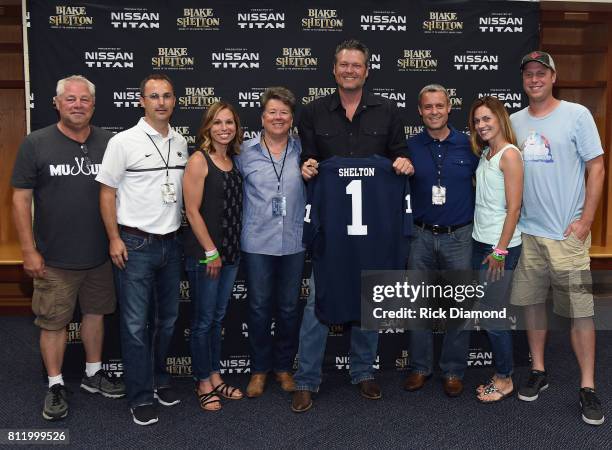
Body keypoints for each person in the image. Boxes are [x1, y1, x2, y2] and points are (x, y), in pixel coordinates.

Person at [292, 38, 413, 413]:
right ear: (334, 69)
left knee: (369, 296)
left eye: (356, 65)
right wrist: (308, 166)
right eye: (343, 65)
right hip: (331, 227)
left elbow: (400, 153)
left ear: (366, 70)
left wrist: (404, 164)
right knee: (317, 300)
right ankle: (307, 379)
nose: (349, 70)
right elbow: (310, 159)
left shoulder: (387, 111)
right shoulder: (313, 112)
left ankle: (363, 371)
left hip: (372, 226)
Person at [11, 75, 125, 421]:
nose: (78, 105)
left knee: (95, 315)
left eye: (84, 99)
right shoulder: (36, 143)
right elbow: (20, 198)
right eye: (70, 99)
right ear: (57, 103)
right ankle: (56, 383)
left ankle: (93, 375)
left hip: (100, 255)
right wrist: (28, 249)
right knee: (53, 323)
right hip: (54, 258)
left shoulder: (111, 143)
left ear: (93, 104)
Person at [510, 51, 605, 425]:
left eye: (541, 73)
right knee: (533, 305)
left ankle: (587, 386)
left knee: (580, 312)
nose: (534, 79)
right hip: (528, 234)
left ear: (553, 76)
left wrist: (586, 222)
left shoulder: (577, 115)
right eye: (529, 73)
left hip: (568, 235)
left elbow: (596, 167)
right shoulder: (514, 121)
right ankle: (538, 370)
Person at [97, 73, 187, 426]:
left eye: (166, 95)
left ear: (174, 100)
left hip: (172, 242)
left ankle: (160, 379)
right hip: (135, 244)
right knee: (135, 325)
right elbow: (106, 192)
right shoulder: (123, 142)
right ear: (141, 101)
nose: (161, 102)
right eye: (153, 96)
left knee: (167, 321)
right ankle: (139, 395)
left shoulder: (180, 141)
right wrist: (114, 238)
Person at [404, 84, 479, 397]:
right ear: (420, 111)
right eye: (428, 107)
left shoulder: (470, 145)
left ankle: (452, 371)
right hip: (420, 236)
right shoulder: (408, 147)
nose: (434, 112)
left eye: (439, 106)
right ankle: (420, 368)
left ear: (450, 108)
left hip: (459, 236)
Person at [235, 87, 306, 398]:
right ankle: (259, 370)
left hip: (293, 241)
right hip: (257, 242)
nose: (278, 117)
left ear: (291, 119)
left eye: (284, 113)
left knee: (290, 308)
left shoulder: (304, 151)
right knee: (260, 308)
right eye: (272, 112)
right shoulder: (243, 152)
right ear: (262, 117)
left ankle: (283, 367)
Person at [183, 101, 244, 411]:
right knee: (203, 321)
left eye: (229, 122)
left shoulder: (232, 159)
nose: (224, 128)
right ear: (207, 127)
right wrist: (210, 252)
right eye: (218, 122)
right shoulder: (199, 160)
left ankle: (215, 375)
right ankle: (203, 381)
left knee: (217, 318)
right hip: (207, 256)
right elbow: (191, 211)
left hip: (230, 253)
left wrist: (224, 253)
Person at [468, 96, 523, 402]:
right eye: (477, 121)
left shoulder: (510, 155)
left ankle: (505, 378)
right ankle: (502, 372)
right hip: (481, 242)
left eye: (487, 119)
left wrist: (500, 250)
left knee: (493, 315)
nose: (482, 125)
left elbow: (514, 209)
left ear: (501, 119)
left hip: (498, 248)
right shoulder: (487, 152)